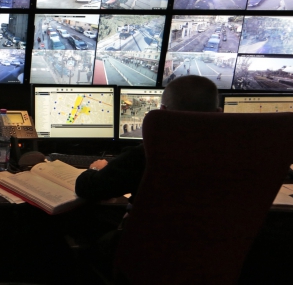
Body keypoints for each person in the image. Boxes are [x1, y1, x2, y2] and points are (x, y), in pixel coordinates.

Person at [74, 75, 221, 203]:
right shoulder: (230, 155)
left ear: (162, 111)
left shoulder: (146, 155)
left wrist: (95, 168)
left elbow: (86, 188)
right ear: (219, 113)